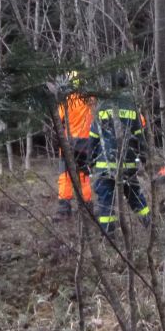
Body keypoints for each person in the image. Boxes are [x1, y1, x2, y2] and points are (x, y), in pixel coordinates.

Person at [89, 73, 151, 234]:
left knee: (105, 200)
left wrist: (89, 158)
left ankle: (109, 235)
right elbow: (139, 134)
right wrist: (143, 156)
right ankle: (150, 226)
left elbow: (94, 136)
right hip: (128, 162)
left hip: (105, 164)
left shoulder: (102, 105)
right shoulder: (131, 105)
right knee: (134, 196)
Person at [55, 72, 95, 221]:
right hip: (85, 143)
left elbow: (58, 120)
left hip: (68, 143)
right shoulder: (90, 100)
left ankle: (63, 209)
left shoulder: (66, 101)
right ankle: (87, 207)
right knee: (84, 177)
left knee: (65, 176)